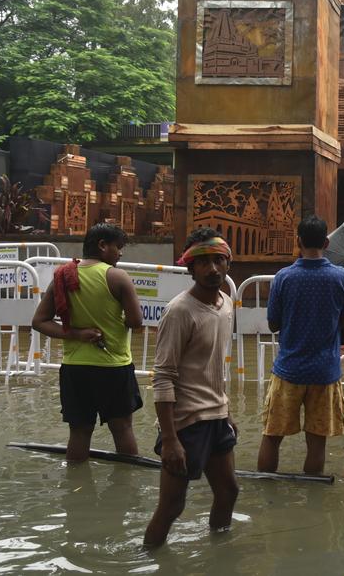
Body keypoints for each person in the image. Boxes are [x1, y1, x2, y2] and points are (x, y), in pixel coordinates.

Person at [144, 228, 239, 548]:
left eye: (218, 260)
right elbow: (163, 376)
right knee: (172, 507)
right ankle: (149, 560)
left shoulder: (226, 304)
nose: (212, 268)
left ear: (228, 263)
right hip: (185, 424)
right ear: (190, 268)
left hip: (216, 416)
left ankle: (219, 555)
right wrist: (170, 439)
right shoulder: (180, 311)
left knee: (228, 492)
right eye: (203, 262)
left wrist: (226, 410)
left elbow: (213, 366)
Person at [32, 223, 144, 462]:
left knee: (80, 432)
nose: (120, 253)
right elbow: (136, 321)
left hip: (75, 368)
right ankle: (126, 490)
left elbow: (39, 322)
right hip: (113, 367)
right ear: (103, 246)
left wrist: (76, 333)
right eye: (118, 247)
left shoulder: (62, 277)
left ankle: (75, 488)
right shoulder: (117, 277)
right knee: (122, 428)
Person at [258, 215, 344, 475]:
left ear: (298, 241)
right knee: (316, 443)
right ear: (326, 242)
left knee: (272, 436)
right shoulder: (342, 277)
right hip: (324, 372)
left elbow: (273, 324)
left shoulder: (284, 278)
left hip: (289, 370)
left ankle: (267, 495)